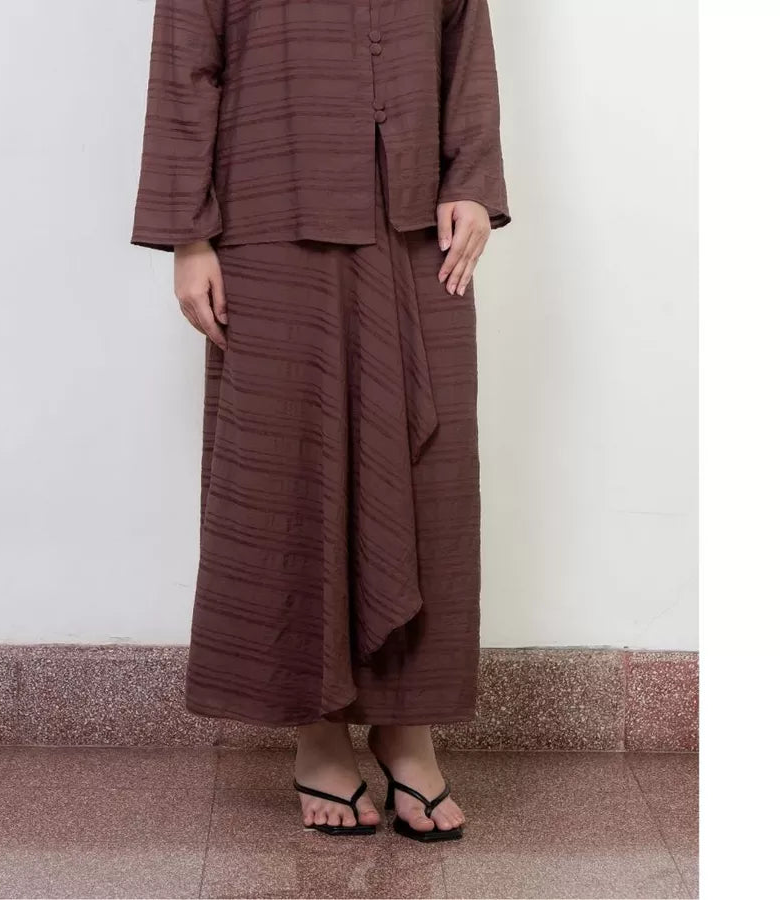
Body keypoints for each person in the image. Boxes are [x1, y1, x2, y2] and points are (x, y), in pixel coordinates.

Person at [131, 0, 510, 841]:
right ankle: (318, 733)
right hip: (269, 215)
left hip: (417, 220)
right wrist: (189, 238)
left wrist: (473, 183)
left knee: (430, 471)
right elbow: (186, 57)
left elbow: (465, 37)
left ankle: (408, 728)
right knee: (291, 470)